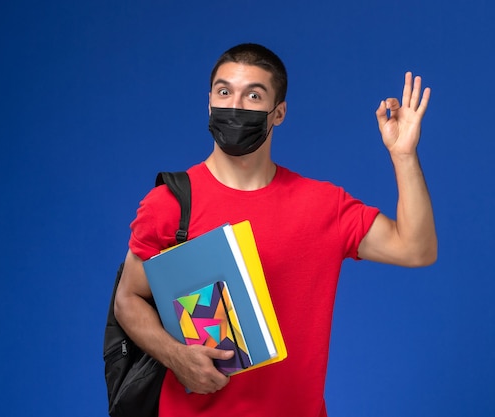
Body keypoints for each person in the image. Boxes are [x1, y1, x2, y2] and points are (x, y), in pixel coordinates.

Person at [114, 43, 437, 416]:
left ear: (278, 112)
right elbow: (128, 300)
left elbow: (416, 248)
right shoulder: (169, 203)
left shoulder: (322, 205)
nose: (235, 106)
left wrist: (404, 156)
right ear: (209, 103)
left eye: (253, 95)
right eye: (224, 92)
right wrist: (175, 355)